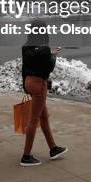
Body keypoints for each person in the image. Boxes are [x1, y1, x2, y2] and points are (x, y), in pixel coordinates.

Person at [20, 20, 67, 166]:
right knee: (33, 120)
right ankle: (26, 156)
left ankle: (53, 148)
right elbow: (48, 69)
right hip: (39, 84)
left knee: (44, 117)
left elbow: (25, 67)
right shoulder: (45, 49)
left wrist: (25, 86)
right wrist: (53, 56)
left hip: (29, 81)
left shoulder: (25, 46)